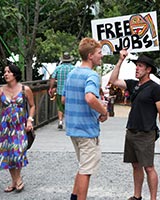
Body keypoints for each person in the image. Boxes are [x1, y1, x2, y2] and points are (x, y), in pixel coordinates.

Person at [109, 51, 160, 200]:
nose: (137, 68)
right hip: (131, 130)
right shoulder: (132, 84)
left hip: (146, 132)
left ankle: (153, 198)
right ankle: (137, 196)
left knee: (149, 167)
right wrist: (120, 61)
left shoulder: (155, 88)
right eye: (136, 66)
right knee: (135, 165)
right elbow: (113, 80)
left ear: (148, 70)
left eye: (140, 66)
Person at [62, 37, 108, 200]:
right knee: (86, 171)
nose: (101, 56)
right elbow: (89, 97)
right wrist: (103, 111)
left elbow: (63, 99)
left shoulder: (71, 73)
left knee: (83, 167)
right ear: (90, 56)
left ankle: (74, 197)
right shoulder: (92, 75)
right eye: (99, 53)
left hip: (73, 129)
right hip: (87, 130)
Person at [0, 63, 35, 193]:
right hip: (5, 127)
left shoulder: (25, 89)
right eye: (4, 72)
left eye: (8, 72)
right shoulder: (0, 90)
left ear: (15, 74)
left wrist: (30, 120)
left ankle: (17, 180)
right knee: (9, 154)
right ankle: (15, 181)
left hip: (20, 126)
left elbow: (32, 106)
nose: (5, 74)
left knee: (18, 152)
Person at [48, 52, 75, 129]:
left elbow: (53, 78)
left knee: (60, 106)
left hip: (60, 90)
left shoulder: (58, 68)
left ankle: (60, 121)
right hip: (71, 91)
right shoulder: (74, 68)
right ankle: (70, 122)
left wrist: (51, 87)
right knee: (70, 106)